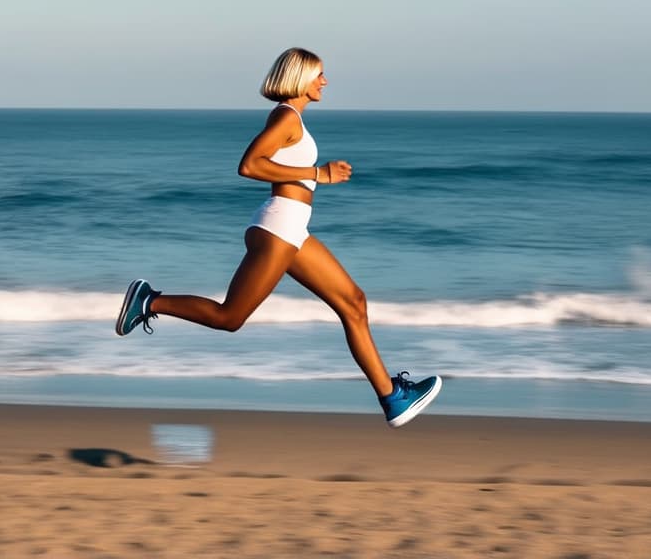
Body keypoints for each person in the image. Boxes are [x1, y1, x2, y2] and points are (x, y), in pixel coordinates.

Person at [115, 47, 441, 428]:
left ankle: (392, 399)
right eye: (318, 74)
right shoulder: (286, 117)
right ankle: (150, 301)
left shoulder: (292, 120)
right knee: (230, 317)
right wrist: (319, 174)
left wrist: (313, 175)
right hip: (279, 228)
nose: (325, 81)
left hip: (292, 228)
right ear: (300, 78)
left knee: (354, 303)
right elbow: (250, 164)